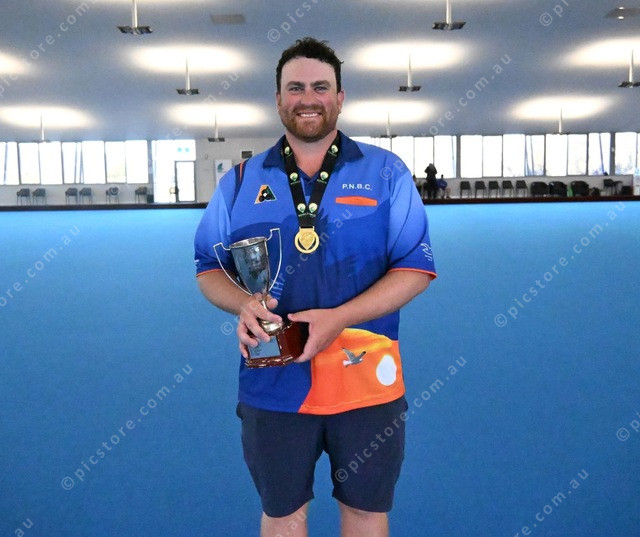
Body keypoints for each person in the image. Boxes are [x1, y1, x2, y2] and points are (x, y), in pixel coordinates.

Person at [194, 37, 436, 537]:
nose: (308, 98)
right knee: (283, 515)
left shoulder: (386, 173)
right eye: (296, 87)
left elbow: (415, 268)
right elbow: (208, 267)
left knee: (366, 512)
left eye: (321, 87)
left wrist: (339, 318)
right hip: (274, 380)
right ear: (278, 99)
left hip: (367, 378)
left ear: (340, 97)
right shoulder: (239, 182)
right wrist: (243, 304)